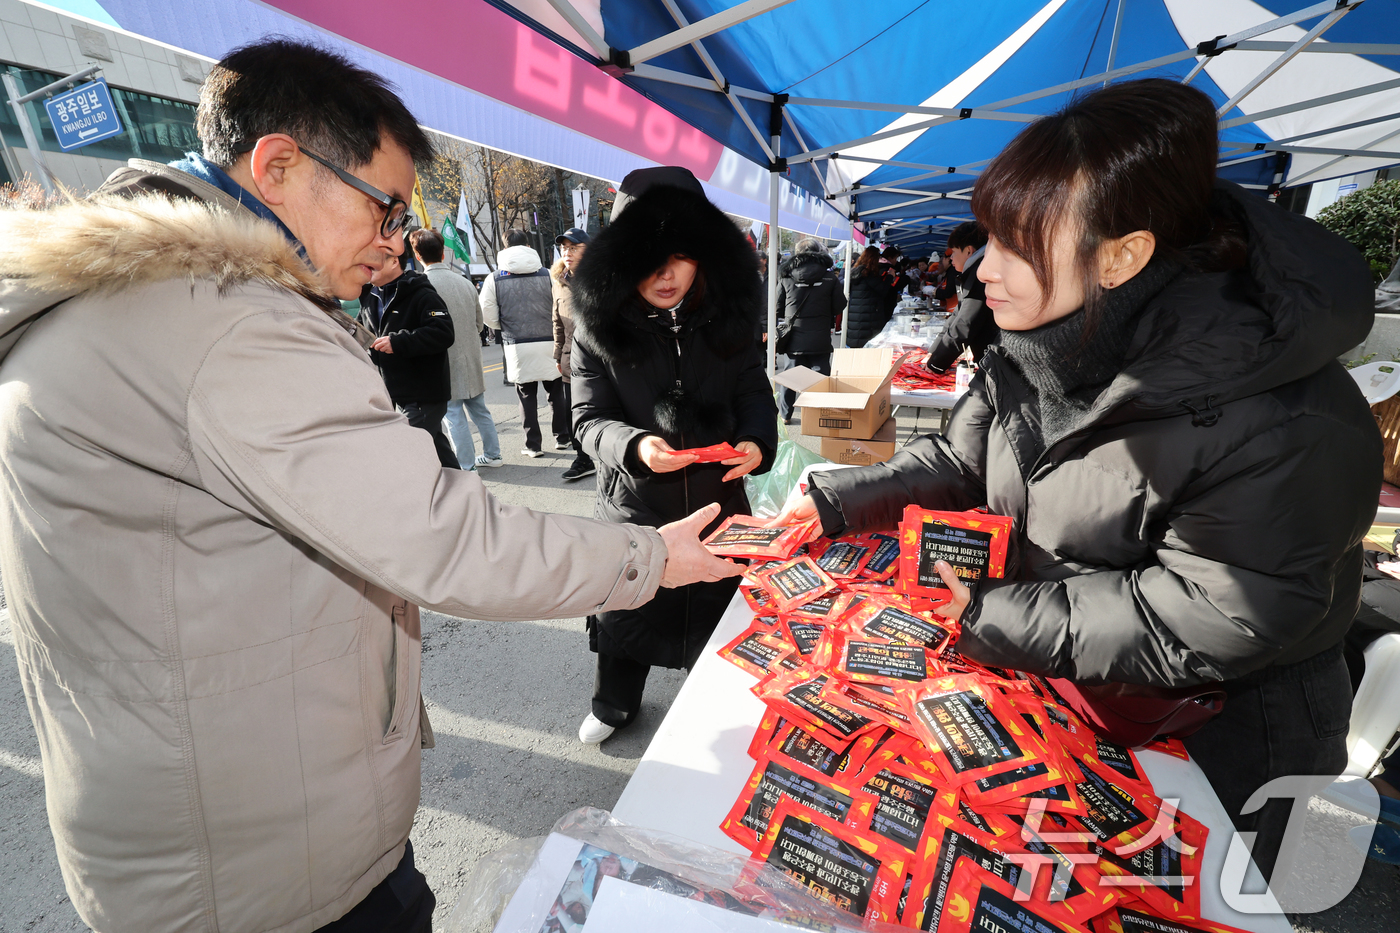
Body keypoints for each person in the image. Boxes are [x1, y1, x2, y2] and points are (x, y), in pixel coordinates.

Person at [0, 39, 740, 933]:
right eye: (385, 209)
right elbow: (443, 535)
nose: (392, 244)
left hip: (195, 821)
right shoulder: (222, 319)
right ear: (277, 165)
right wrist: (651, 554)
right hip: (261, 864)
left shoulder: (143, 299)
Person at [773, 78, 1378, 884]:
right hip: (1078, 678)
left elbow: (1218, 609)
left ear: (1123, 254)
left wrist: (996, 613)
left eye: (1016, 246)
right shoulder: (1039, 339)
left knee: (1197, 898)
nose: (983, 268)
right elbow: (961, 459)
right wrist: (836, 498)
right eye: (987, 235)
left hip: (1229, 732)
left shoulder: (1280, 413)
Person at [570, 166, 779, 744]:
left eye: (682, 254)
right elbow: (586, 421)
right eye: (649, 255)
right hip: (636, 507)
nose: (666, 274)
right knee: (627, 614)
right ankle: (614, 704)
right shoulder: (597, 328)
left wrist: (758, 443)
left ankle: (708, 709)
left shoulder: (729, 319)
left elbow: (752, 389)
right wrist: (633, 446)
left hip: (719, 506)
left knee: (716, 610)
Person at [410, 228, 502, 469]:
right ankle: (493, 455)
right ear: (443, 253)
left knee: (453, 415)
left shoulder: (419, 286)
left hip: (442, 363)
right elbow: (479, 324)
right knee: (480, 410)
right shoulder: (465, 283)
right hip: (470, 357)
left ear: (418, 256)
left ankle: (467, 466)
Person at [361, 251, 460, 468]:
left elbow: (443, 333)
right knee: (437, 449)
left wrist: (397, 342)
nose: (368, 268)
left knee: (408, 448)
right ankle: (465, 494)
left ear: (395, 261)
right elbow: (364, 333)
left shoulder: (421, 293)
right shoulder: (369, 295)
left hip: (424, 392)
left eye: (373, 262)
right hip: (392, 391)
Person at [481, 229, 570, 457]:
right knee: (555, 392)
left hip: (517, 343)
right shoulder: (547, 274)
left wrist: (505, 327)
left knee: (526, 394)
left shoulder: (495, 278)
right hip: (549, 340)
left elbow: (488, 314)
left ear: (505, 248)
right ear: (528, 246)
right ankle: (562, 437)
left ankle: (533, 445)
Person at [776, 238, 847, 424]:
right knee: (821, 376)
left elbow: (776, 307)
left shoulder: (786, 276)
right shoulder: (830, 277)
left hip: (794, 335)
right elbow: (839, 305)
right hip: (820, 335)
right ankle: (819, 415)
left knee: (790, 375)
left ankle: (785, 415)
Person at [552, 227, 596, 481]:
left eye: (573, 247)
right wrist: (558, 354)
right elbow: (556, 320)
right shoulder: (559, 281)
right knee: (572, 411)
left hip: (601, 357)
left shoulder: (599, 277)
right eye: (564, 248)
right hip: (571, 357)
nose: (567, 253)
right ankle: (583, 458)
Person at [926, 220, 994, 373]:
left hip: (995, 360)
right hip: (989, 358)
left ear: (969, 251)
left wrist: (936, 363)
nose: (951, 258)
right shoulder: (975, 271)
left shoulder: (980, 274)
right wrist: (935, 351)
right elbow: (958, 314)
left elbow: (965, 323)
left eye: (954, 252)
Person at [845, 245, 898, 347]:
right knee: (866, 347)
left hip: (855, 316)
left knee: (856, 345)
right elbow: (882, 290)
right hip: (868, 317)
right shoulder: (868, 274)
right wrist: (890, 277)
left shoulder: (855, 272)